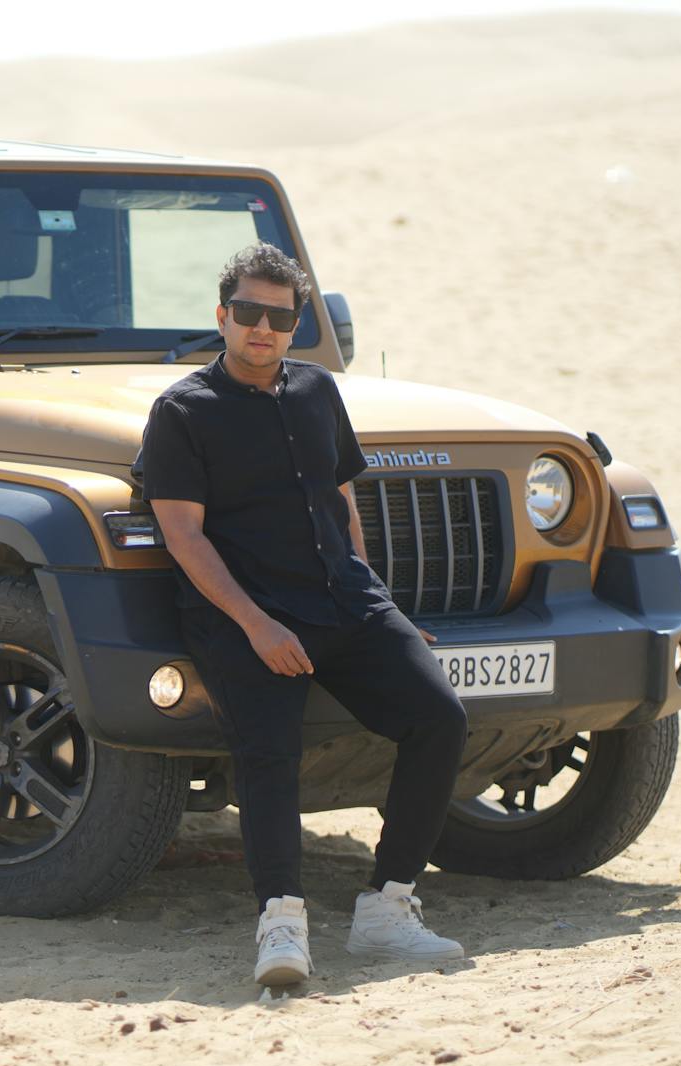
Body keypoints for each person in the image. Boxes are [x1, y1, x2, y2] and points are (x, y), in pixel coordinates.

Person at [139, 242, 470, 987]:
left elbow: (341, 501)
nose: (263, 328)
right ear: (222, 316)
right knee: (269, 752)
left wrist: (380, 604)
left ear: (295, 324)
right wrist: (256, 624)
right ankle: (281, 923)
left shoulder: (318, 390)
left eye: (279, 317)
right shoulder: (183, 412)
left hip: (343, 601)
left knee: (439, 715)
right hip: (244, 615)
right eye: (249, 313)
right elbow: (182, 535)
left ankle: (387, 909)